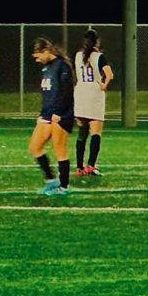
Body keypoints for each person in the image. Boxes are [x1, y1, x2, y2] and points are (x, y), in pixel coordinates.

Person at [29, 37, 75, 196]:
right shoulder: (46, 67)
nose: (37, 60)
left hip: (61, 115)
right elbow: (49, 94)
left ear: (46, 51)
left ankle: (64, 186)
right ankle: (51, 180)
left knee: (60, 150)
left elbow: (67, 91)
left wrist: (59, 112)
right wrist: (43, 113)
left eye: (38, 56)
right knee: (35, 147)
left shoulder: (62, 65)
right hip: (47, 114)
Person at [74, 29, 114, 177]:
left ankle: (79, 167)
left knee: (82, 133)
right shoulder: (99, 57)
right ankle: (90, 166)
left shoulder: (78, 56)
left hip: (80, 93)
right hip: (94, 94)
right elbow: (109, 75)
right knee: (95, 133)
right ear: (97, 42)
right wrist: (104, 84)